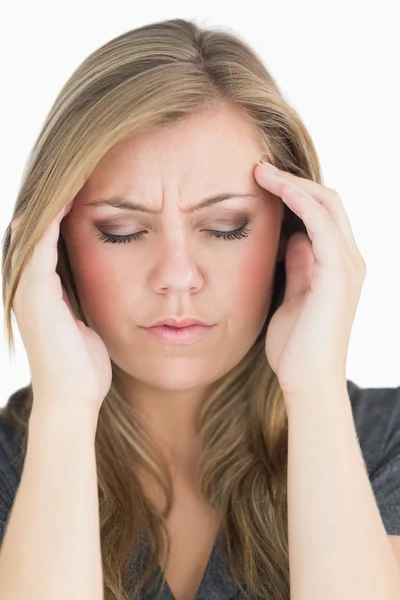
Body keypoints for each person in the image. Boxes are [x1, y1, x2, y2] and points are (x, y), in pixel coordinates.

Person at [1, 17, 399, 600]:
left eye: (225, 226)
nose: (178, 277)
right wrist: (63, 412)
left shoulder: (384, 445)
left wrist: (314, 394)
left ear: (294, 234)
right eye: (121, 231)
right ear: (54, 248)